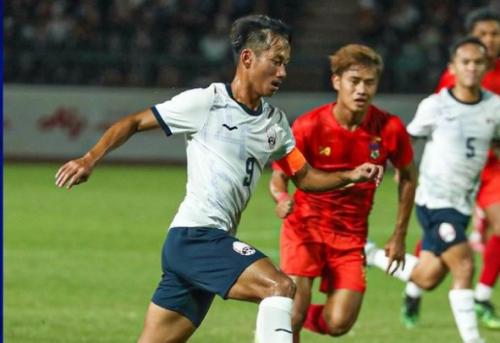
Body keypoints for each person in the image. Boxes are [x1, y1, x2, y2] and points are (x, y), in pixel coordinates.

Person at [55, 15, 383, 343]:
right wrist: (89, 159)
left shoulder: (276, 124)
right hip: (196, 237)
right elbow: (133, 122)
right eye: (277, 62)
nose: (283, 72)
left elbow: (305, 177)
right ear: (247, 58)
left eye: (287, 64)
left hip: (202, 246)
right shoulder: (207, 102)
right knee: (280, 287)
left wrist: (350, 176)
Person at [269, 44, 417, 342]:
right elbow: (278, 178)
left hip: (351, 238)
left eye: (369, 82)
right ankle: (285, 323)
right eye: (354, 81)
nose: (362, 89)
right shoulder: (309, 126)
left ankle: (281, 319)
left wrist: (399, 234)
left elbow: (409, 177)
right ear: (336, 81)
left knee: (339, 323)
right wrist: (282, 199)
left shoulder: (389, 128)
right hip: (305, 229)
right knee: (293, 315)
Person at [370, 36, 500, 343]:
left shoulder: (494, 107)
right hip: (433, 200)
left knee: (426, 277)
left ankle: (369, 253)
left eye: (477, 62)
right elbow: (406, 138)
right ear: (452, 67)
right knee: (465, 264)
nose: (471, 68)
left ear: (486, 67)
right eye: (464, 62)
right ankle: (473, 340)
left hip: (463, 203)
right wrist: (399, 170)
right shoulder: (435, 106)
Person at [402, 7, 500, 330]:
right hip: (446, 183)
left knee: (437, 271)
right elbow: (420, 131)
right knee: (453, 261)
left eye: (494, 34)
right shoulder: (450, 86)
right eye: (483, 34)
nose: (489, 40)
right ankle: (423, 289)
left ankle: (479, 296)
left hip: (485, 173)